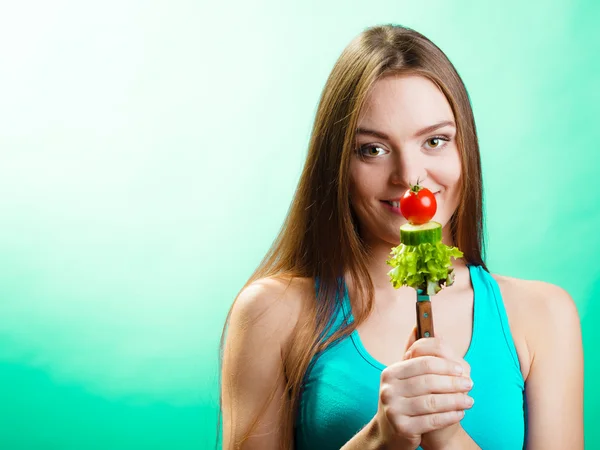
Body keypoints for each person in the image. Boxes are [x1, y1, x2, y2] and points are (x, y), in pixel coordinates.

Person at [218, 24, 584, 450]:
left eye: (435, 140)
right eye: (372, 149)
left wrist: (446, 435)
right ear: (336, 165)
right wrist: (381, 439)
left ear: (464, 148)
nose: (409, 177)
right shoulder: (270, 315)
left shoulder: (544, 316)